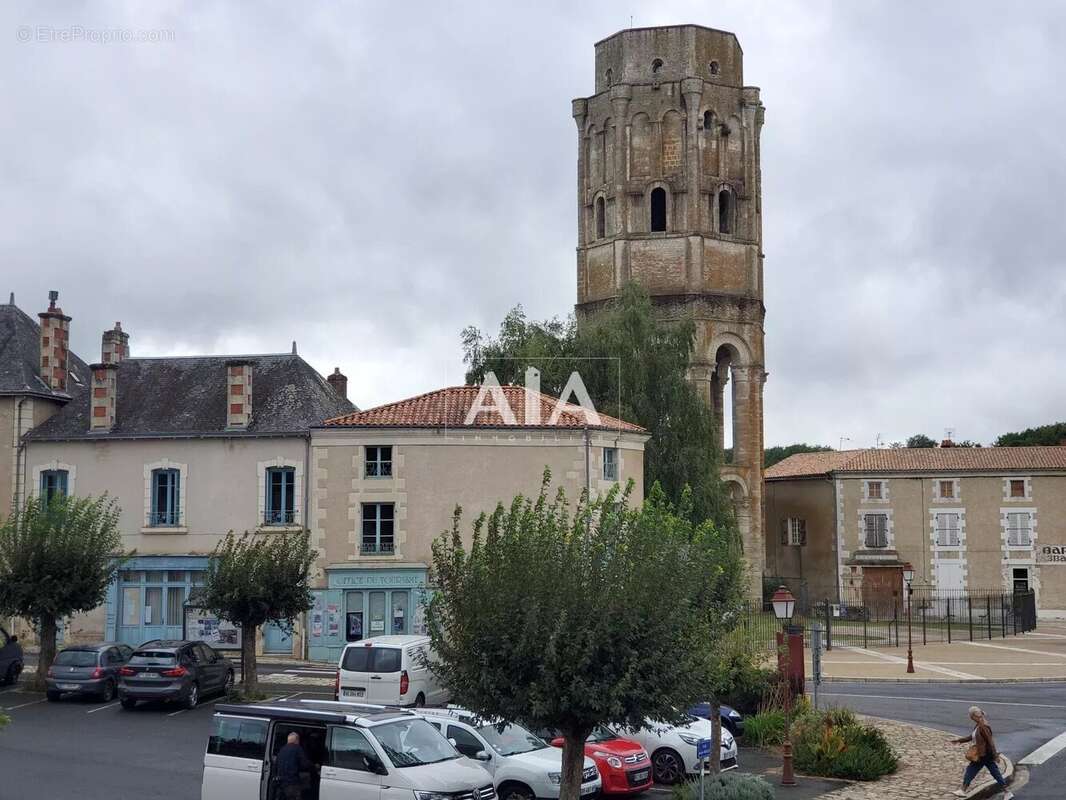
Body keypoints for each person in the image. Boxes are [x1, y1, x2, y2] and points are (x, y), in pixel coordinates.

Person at [950, 706, 1012, 799]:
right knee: (995, 772)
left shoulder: (983, 726)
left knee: (971, 770)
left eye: (971, 716)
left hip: (984, 754)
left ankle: (962, 790)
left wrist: (995, 755)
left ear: (974, 716)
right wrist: (960, 740)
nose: (970, 718)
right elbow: (972, 736)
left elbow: (990, 742)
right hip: (985, 754)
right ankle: (1007, 792)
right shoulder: (979, 724)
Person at [276, 731, 314, 800]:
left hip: (281, 785)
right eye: (299, 740)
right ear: (296, 740)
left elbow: (277, 764)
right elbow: (305, 764)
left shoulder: (281, 750)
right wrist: (315, 766)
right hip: (292, 784)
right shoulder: (297, 748)